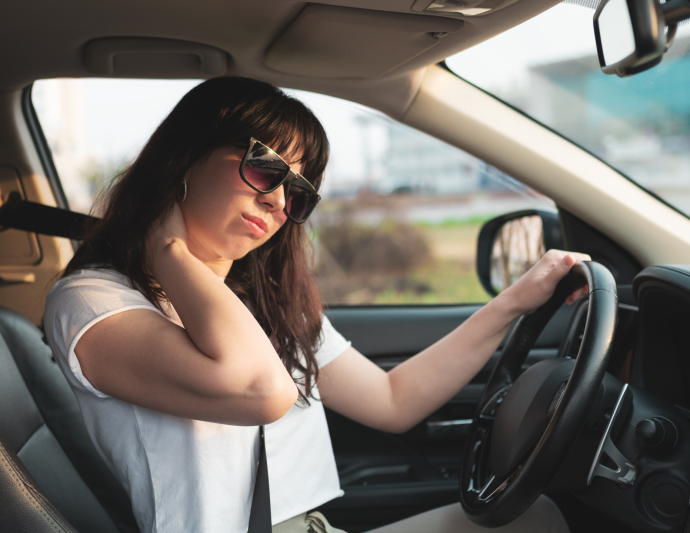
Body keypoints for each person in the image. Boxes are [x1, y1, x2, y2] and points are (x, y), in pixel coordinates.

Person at [43, 76, 587, 533]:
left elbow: (392, 400)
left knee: (535, 517)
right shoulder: (93, 302)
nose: (278, 200)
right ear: (185, 158)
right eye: (264, 167)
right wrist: (167, 248)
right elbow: (260, 389)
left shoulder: (259, 303)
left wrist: (517, 300)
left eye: (297, 192)